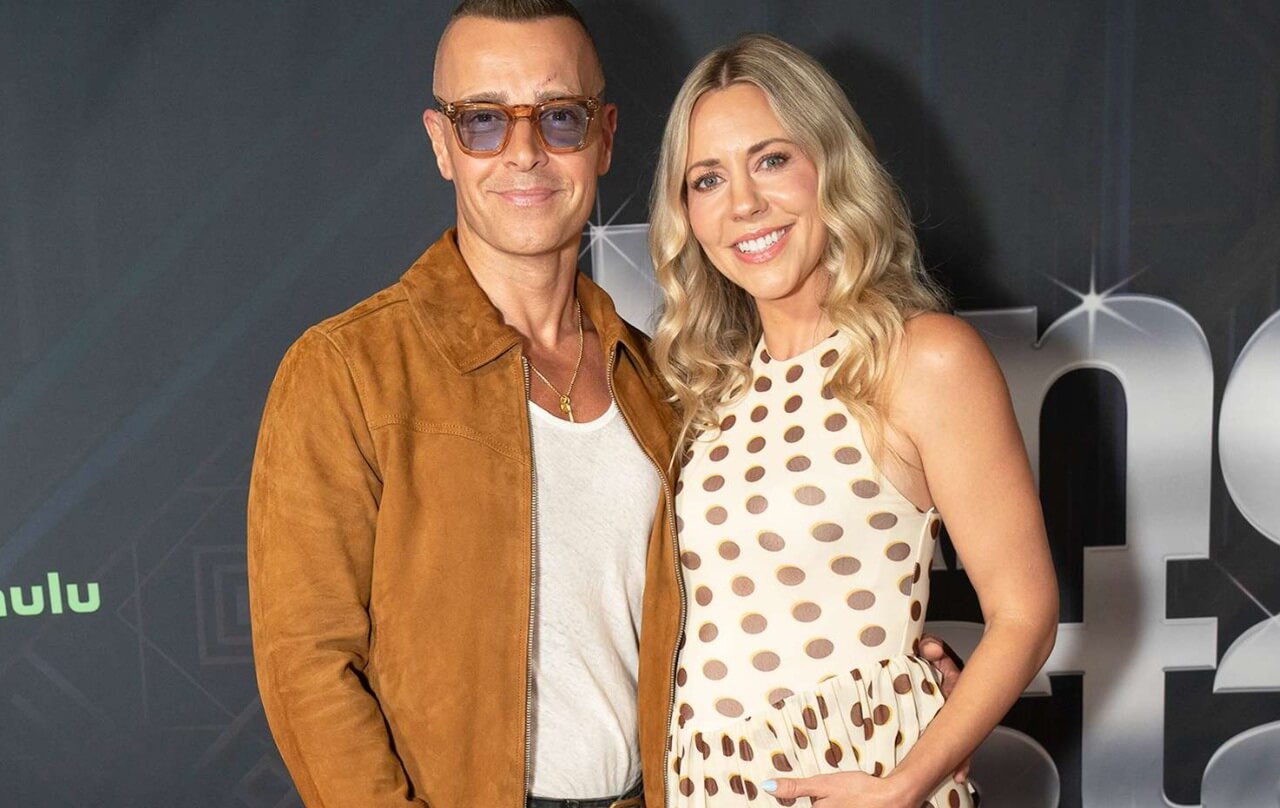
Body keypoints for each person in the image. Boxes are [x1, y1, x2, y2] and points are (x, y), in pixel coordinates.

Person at [248, 3, 970, 807]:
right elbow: (307, 665)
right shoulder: (348, 371)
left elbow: (740, 599)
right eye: (482, 121)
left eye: (559, 117)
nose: (523, 153)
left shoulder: (667, 380)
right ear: (441, 144)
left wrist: (900, 692)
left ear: (605, 136)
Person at [648, 34, 1059, 807]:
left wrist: (911, 779)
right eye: (707, 178)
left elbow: (1025, 613)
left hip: (865, 779)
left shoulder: (924, 358)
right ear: (686, 214)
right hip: (703, 784)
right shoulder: (705, 394)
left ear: (831, 165)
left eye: (771, 160)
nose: (743, 203)